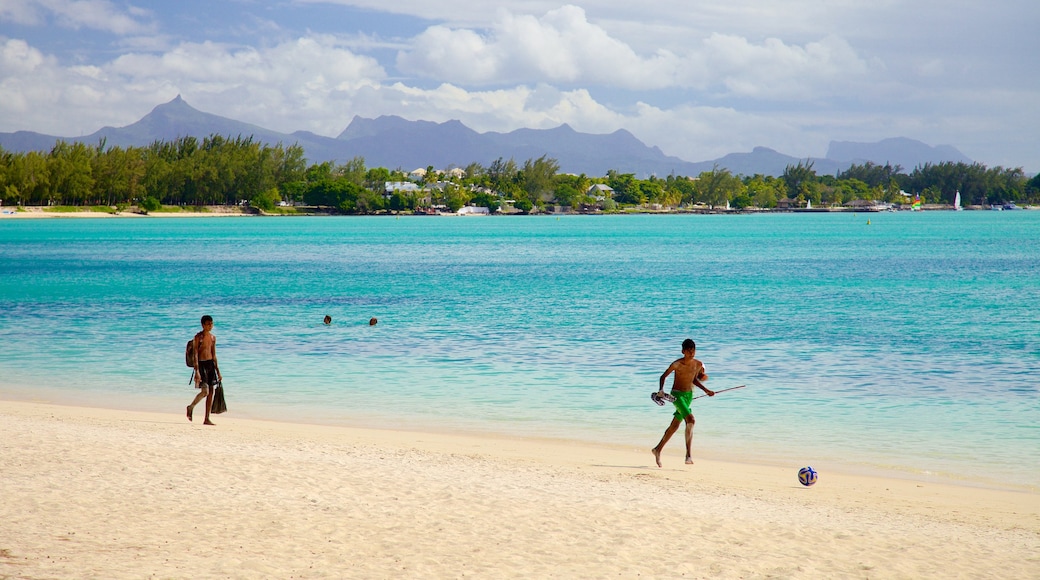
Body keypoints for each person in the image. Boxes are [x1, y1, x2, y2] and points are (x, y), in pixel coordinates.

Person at [651, 338, 713, 467]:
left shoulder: (698, 364)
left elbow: (694, 380)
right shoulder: (677, 364)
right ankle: (688, 455)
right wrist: (661, 390)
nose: (691, 353)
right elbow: (663, 376)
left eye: (693, 350)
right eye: (688, 351)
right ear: (683, 351)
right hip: (677, 394)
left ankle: (657, 449)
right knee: (691, 420)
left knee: (675, 426)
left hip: (689, 395)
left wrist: (706, 390)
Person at [187, 315, 221, 426]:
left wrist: (218, 371)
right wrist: (196, 371)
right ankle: (191, 406)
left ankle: (206, 418)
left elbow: (214, 355)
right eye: (208, 324)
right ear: (203, 325)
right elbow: (195, 355)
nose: (210, 326)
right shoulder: (198, 337)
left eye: (211, 323)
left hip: (210, 365)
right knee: (205, 392)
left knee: (211, 392)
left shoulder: (212, 338)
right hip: (201, 365)